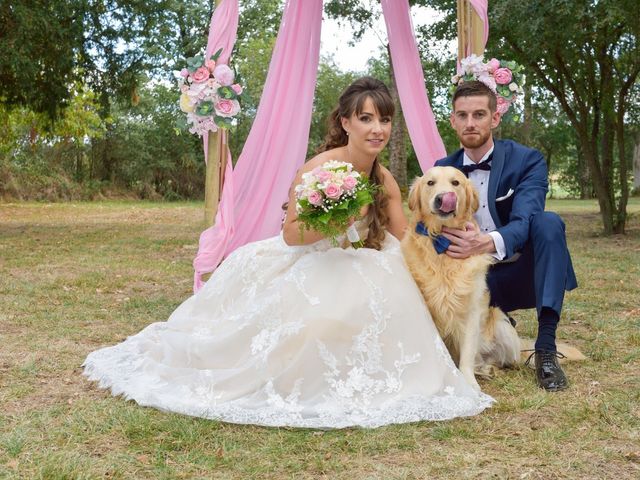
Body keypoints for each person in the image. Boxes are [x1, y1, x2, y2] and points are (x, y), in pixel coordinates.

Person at [83, 77, 493, 428]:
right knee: (313, 322)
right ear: (346, 122)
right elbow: (293, 234)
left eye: (384, 120)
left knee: (389, 293)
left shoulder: (382, 177)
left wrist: (456, 239)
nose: (377, 129)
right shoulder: (320, 169)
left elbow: (407, 237)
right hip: (312, 256)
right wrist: (337, 220)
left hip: (365, 258)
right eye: (366, 118)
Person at [435, 80, 578, 392]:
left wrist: (485, 242)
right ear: (453, 120)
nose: (470, 123)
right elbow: (429, 230)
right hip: (466, 283)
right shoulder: (441, 169)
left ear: (495, 118)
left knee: (548, 223)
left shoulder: (526, 160)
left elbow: (526, 219)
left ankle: (545, 348)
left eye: (479, 114)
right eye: (462, 115)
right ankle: (482, 331)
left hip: (517, 275)